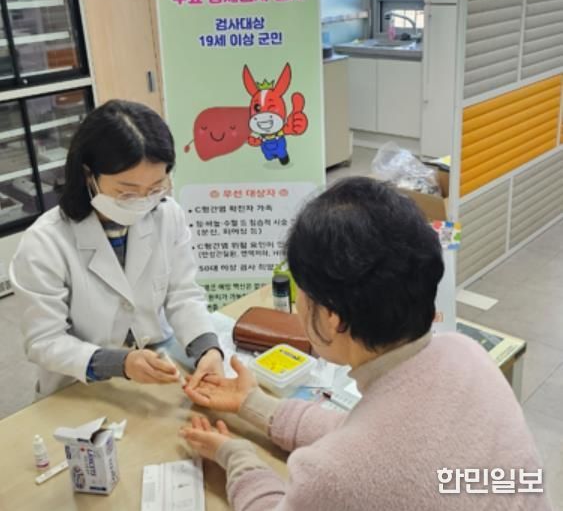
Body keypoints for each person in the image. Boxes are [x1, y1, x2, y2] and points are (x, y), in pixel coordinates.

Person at [180, 177, 548, 511]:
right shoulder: (467, 354)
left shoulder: (335, 475)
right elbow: (374, 439)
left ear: (332, 316)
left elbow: (367, 458)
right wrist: (253, 404)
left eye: (301, 291)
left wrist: (237, 456)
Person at [10, 100, 223, 398]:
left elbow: (183, 293)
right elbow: (44, 341)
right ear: (88, 175)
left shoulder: (167, 214)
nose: (143, 201)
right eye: (126, 192)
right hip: (81, 384)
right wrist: (119, 363)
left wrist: (207, 349)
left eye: (156, 187)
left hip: (157, 363)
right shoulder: (44, 242)